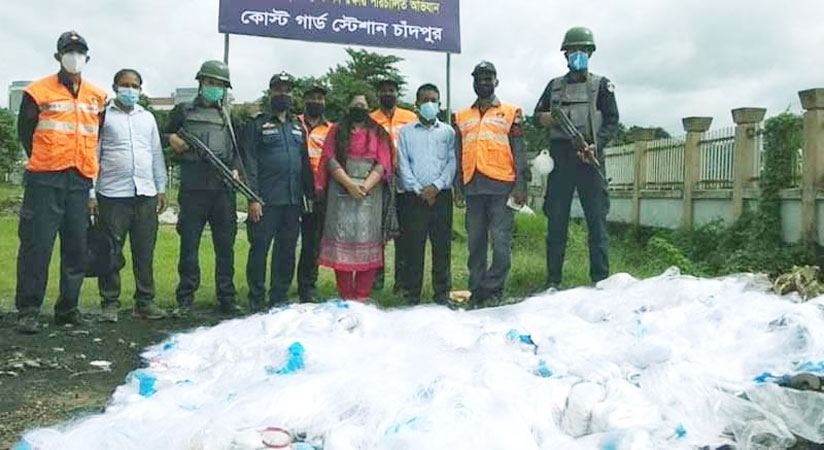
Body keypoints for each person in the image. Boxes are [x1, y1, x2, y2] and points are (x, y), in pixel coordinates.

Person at [15, 31, 107, 333]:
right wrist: (46, 158)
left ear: (87, 58)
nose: (74, 56)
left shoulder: (98, 96)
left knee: (77, 247)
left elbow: (97, 135)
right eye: (69, 51)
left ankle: (68, 308)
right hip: (45, 178)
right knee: (36, 246)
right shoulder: (37, 91)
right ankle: (28, 310)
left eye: (80, 51)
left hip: (79, 178)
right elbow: (26, 131)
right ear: (58, 56)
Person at [533, 27, 619, 289]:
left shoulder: (601, 85)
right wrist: (545, 118)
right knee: (556, 222)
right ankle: (553, 281)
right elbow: (537, 115)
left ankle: (600, 280)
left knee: (596, 222)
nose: (578, 55)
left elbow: (612, 121)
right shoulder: (554, 86)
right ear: (566, 54)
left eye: (583, 50)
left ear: (590, 53)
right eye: (573, 51)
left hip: (590, 158)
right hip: (561, 158)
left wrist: (596, 145)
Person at [164, 60, 243, 315]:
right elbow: (161, 135)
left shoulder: (227, 115)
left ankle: (226, 297)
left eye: (220, 85)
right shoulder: (183, 110)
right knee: (189, 245)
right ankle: (185, 298)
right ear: (201, 82)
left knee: (225, 247)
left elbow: (236, 151)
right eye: (212, 83)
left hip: (222, 191)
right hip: (193, 188)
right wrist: (172, 139)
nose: (215, 88)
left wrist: (236, 170)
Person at [91, 68, 168, 322]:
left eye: (135, 86)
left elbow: (156, 154)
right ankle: (109, 303)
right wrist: (91, 192)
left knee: (144, 252)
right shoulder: (103, 117)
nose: (130, 90)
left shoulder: (147, 118)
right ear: (115, 87)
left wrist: (161, 187)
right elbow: (93, 155)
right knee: (111, 250)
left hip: (145, 193)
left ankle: (145, 302)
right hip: (112, 194)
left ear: (140, 89)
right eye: (125, 85)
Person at [453, 61, 528, 308]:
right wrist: (458, 186)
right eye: (479, 78)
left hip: (502, 187)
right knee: (475, 244)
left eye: (488, 78)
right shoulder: (461, 116)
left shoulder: (510, 112)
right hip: (473, 188)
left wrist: (521, 185)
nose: (483, 83)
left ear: (496, 81)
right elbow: (458, 152)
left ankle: (492, 290)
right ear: (473, 82)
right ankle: (476, 292)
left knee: (500, 244)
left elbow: (519, 150)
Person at [244, 72, 314, 311]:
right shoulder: (258, 124)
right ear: (271, 92)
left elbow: (303, 163)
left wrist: (309, 196)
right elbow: (249, 164)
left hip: (292, 201)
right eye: (279, 90)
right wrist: (253, 197)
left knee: (286, 251)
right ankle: (256, 299)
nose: (283, 94)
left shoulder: (297, 127)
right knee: (260, 250)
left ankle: (279, 298)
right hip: (265, 201)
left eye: (288, 90)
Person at [316, 93, 393, 302]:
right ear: (348, 107)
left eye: (363, 104)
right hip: (341, 191)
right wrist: (349, 184)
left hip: (370, 194)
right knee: (342, 246)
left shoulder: (379, 132)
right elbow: (330, 160)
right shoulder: (336, 131)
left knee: (368, 243)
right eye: (355, 104)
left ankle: (362, 296)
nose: (360, 107)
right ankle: (346, 296)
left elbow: (383, 163)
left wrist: (365, 186)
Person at [396, 83, 455, 305]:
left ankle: (442, 294)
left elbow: (451, 163)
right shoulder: (406, 132)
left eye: (434, 100)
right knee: (414, 247)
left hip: (441, 196)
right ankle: (412, 295)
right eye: (425, 100)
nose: (430, 104)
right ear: (417, 105)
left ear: (439, 104)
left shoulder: (448, 132)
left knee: (442, 247)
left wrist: (436, 186)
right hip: (415, 198)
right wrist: (418, 189)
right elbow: (403, 164)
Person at [369, 78, 417, 294]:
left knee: (404, 235)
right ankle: (375, 283)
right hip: (378, 183)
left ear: (398, 93)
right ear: (377, 95)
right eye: (384, 91)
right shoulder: (370, 119)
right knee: (377, 234)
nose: (388, 94)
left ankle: (402, 284)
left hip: (405, 182)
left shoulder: (410, 117)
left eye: (392, 90)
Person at [297, 84, 333, 302]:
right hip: (292, 189)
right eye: (312, 97)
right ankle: (279, 285)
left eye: (320, 98)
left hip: (319, 192)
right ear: (304, 100)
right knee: (287, 240)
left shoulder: (331, 128)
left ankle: (307, 287)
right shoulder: (294, 123)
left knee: (312, 243)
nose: (317, 102)